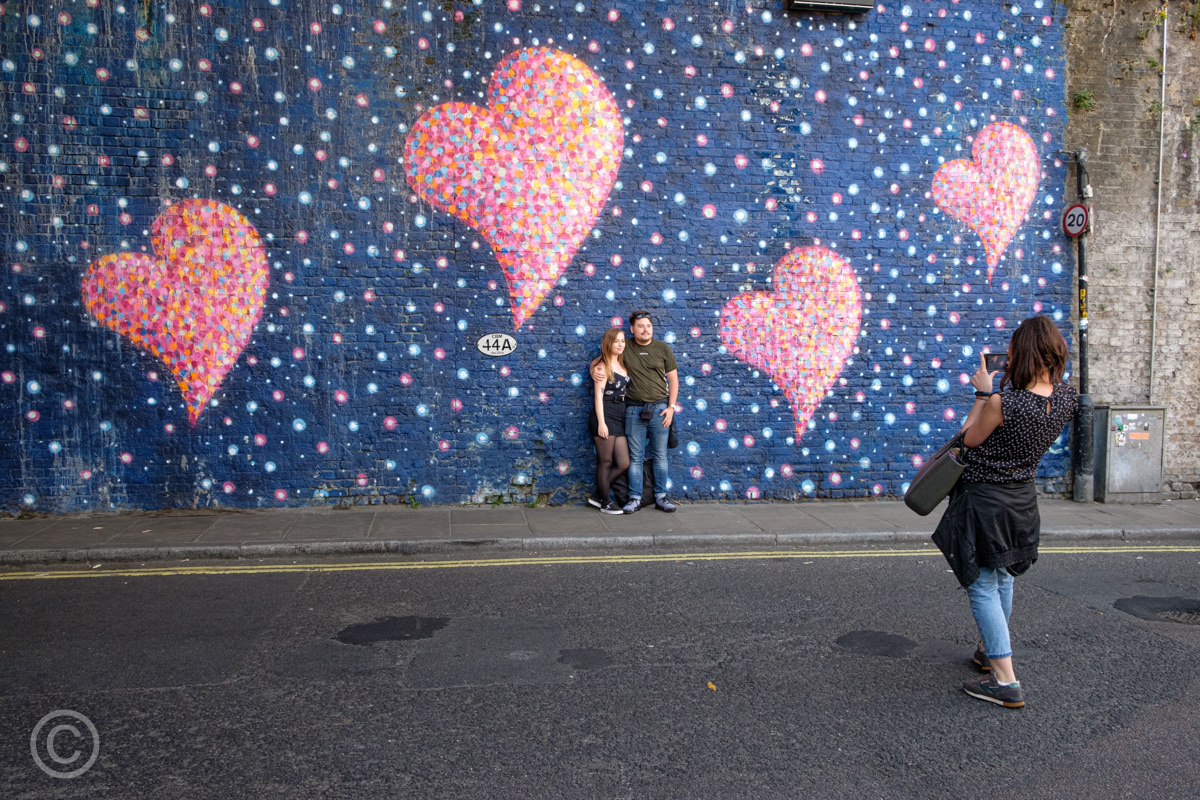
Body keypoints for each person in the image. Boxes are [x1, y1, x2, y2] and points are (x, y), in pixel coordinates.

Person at [933, 314, 1078, 709]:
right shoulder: (1065, 398)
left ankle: (1005, 680)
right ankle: (988, 652)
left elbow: (967, 440)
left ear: (1022, 354)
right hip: (1021, 502)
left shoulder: (1003, 402)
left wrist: (982, 395)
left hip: (985, 502)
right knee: (1004, 578)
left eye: (1012, 350)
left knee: (982, 584)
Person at [591, 310, 678, 513]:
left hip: (660, 410)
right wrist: (594, 368)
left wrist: (671, 407)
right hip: (632, 411)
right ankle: (635, 498)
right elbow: (603, 359)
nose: (645, 329)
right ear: (632, 329)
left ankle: (661, 497)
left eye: (648, 326)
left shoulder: (663, 348)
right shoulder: (625, 346)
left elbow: (673, 380)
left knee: (660, 456)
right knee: (634, 457)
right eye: (640, 326)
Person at [587, 328, 630, 515]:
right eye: (616, 341)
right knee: (605, 461)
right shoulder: (602, 366)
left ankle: (597, 495)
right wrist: (601, 423)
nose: (620, 344)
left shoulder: (622, 363)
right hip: (604, 413)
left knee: (623, 462)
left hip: (620, 414)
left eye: (622, 341)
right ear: (608, 343)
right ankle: (605, 502)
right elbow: (598, 397)